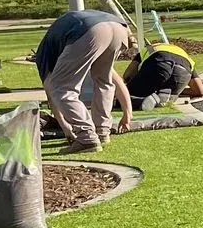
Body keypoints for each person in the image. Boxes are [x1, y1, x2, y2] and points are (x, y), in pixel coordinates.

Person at [34, 9, 134, 152]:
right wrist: (127, 113)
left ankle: (87, 138)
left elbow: (52, 93)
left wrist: (66, 128)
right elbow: (114, 80)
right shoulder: (60, 43)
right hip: (119, 27)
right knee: (103, 80)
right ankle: (102, 132)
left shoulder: (44, 57)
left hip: (89, 30)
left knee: (62, 88)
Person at [123, 41, 203, 109]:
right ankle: (166, 94)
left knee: (124, 94)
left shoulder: (147, 49)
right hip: (183, 72)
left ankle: (142, 101)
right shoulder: (184, 55)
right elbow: (200, 91)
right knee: (168, 91)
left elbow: (127, 75)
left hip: (158, 63)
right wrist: (181, 91)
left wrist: (132, 85)